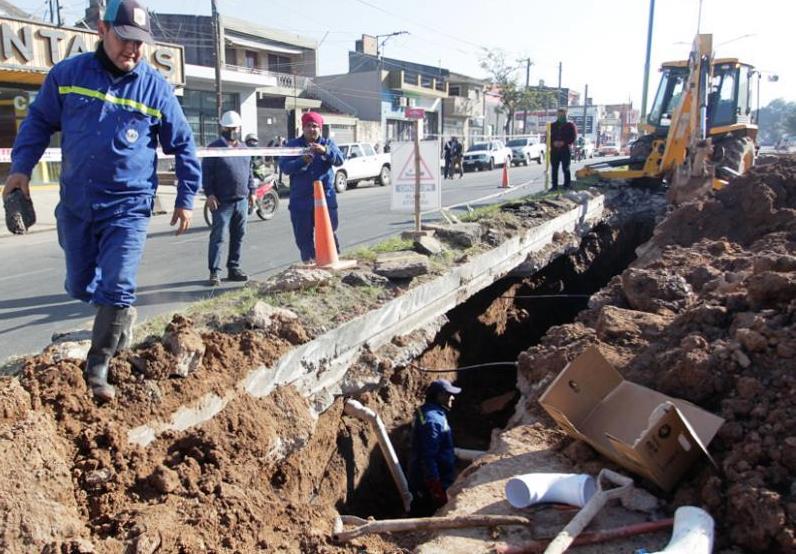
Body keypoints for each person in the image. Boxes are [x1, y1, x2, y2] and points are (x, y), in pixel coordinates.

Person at [1, 0, 200, 402]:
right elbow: (39, 122)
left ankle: (98, 367)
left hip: (128, 206)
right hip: (76, 205)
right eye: (126, 39)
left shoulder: (155, 87)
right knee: (79, 284)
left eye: (141, 43)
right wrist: (21, 168)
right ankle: (115, 310)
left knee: (119, 283)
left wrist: (186, 195)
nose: (134, 51)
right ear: (102, 30)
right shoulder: (67, 76)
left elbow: (183, 145)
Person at [278, 112, 344, 263]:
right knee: (303, 236)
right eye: (308, 126)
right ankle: (310, 264)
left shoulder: (328, 143)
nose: (311, 129)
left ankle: (332, 261)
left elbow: (340, 160)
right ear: (303, 127)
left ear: (320, 128)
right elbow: (285, 167)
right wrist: (301, 161)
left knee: (329, 232)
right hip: (301, 200)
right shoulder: (293, 145)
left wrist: (325, 151)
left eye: (315, 126)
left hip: (325, 199)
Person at [203, 111, 254, 287]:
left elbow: (249, 172)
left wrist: (252, 192)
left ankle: (234, 268)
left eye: (234, 128)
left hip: (241, 200)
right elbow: (207, 174)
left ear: (239, 128)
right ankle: (214, 272)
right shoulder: (214, 148)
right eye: (228, 127)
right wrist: (209, 194)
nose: (231, 130)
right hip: (222, 202)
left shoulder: (245, 149)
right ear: (222, 127)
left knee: (238, 236)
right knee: (218, 237)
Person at [408, 379, 462, 517]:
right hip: (431, 483)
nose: (453, 397)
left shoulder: (428, 412)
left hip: (426, 478)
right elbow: (428, 456)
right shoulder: (433, 421)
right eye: (449, 394)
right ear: (439, 395)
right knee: (427, 516)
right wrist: (435, 486)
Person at [549, 107, 577, 190]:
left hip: (565, 149)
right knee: (554, 168)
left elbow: (573, 137)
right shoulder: (552, 125)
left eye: (563, 114)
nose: (561, 115)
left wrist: (564, 142)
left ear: (566, 114)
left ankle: (567, 185)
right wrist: (553, 142)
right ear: (557, 114)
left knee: (566, 168)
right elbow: (547, 137)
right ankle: (554, 186)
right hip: (554, 150)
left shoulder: (570, 125)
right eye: (559, 114)